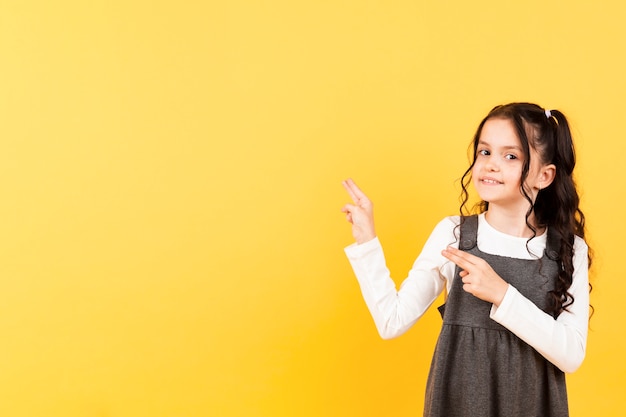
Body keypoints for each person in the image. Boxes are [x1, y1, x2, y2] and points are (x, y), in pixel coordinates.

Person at [341, 102, 591, 417]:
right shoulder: (453, 235)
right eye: (484, 152)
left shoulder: (569, 250)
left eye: (510, 156)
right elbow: (392, 321)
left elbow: (571, 354)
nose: (490, 165)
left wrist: (502, 294)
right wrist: (366, 241)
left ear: (545, 175)